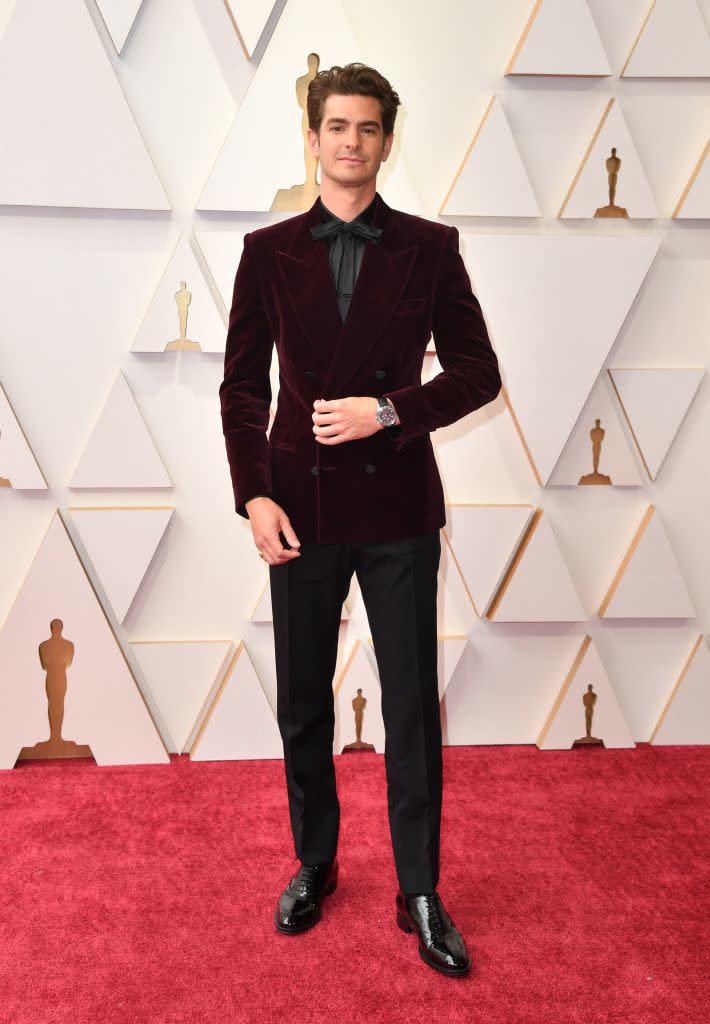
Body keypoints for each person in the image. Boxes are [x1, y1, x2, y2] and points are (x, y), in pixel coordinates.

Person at [219, 62, 501, 977]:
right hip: (296, 508)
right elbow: (239, 386)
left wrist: (388, 410)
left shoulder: (430, 246)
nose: (351, 141)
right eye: (336, 126)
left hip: (397, 508)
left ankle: (419, 887)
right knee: (304, 697)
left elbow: (476, 372)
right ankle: (316, 862)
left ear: (386, 139)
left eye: (368, 128)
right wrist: (253, 493)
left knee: (412, 703)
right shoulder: (266, 252)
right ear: (312, 138)